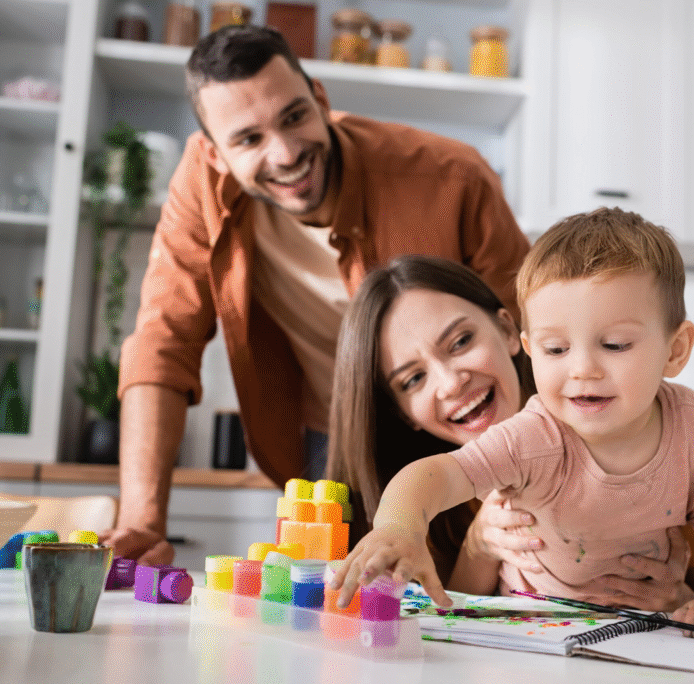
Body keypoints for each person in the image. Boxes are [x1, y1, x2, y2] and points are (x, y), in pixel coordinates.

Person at [101, 25, 530, 565]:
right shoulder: (200, 189)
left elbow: (528, 334)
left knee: (493, 570)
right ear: (215, 153)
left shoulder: (449, 177)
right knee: (341, 595)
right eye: (249, 140)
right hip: (330, 439)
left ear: (320, 99)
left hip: (461, 427)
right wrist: (142, 523)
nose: (285, 154)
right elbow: (164, 343)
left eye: (294, 117)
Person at [330, 208, 694, 636]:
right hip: (528, 634)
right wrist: (399, 527)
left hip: (641, 633)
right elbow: (438, 473)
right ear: (531, 349)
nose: (583, 369)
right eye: (556, 350)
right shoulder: (531, 436)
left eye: (615, 345)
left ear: (676, 350)